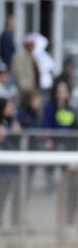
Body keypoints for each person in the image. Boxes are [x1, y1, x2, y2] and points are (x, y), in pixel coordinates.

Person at [0, 97, 22, 229]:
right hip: (2, 169)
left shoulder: (10, 122)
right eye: (8, 107)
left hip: (8, 169)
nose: (11, 109)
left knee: (4, 197)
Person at [10, 33, 37, 107]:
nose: (34, 46)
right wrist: (23, 86)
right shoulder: (19, 55)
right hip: (22, 88)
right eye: (32, 44)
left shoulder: (30, 54)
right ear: (27, 44)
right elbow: (18, 72)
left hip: (29, 87)